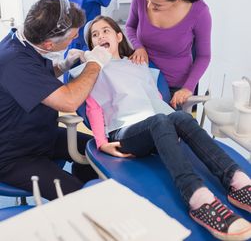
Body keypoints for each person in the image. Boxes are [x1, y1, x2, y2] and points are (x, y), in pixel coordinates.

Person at [84, 15, 251, 241]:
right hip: (124, 132)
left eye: (105, 31)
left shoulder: (137, 65)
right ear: (92, 45)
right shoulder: (92, 71)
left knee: (181, 118)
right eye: (95, 35)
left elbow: (155, 98)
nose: (101, 36)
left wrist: (172, 126)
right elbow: (93, 108)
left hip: (155, 126)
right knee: (161, 120)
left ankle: (238, 182)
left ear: (118, 36)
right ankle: (198, 198)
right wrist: (102, 143)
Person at [0, 0, 112, 200]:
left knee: (99, 153)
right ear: (49, 44)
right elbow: (69, 101)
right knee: (79, 195)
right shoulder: (13, 60)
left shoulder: (23, 41)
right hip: (15, 155)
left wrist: (61, 66)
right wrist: (95, 63)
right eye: (72, 38)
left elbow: (35, 79)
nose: (74, 41)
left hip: (43, 135)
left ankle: (86, 180)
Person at [125, 0, 211, 109]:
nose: (150, 6)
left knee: (173, 128)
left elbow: (204, 56)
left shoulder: (199, 12)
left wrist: (188, 88)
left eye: (157, 5)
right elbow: (130, 26)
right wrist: (138, 47)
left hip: (175, 88)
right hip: (143, 78)